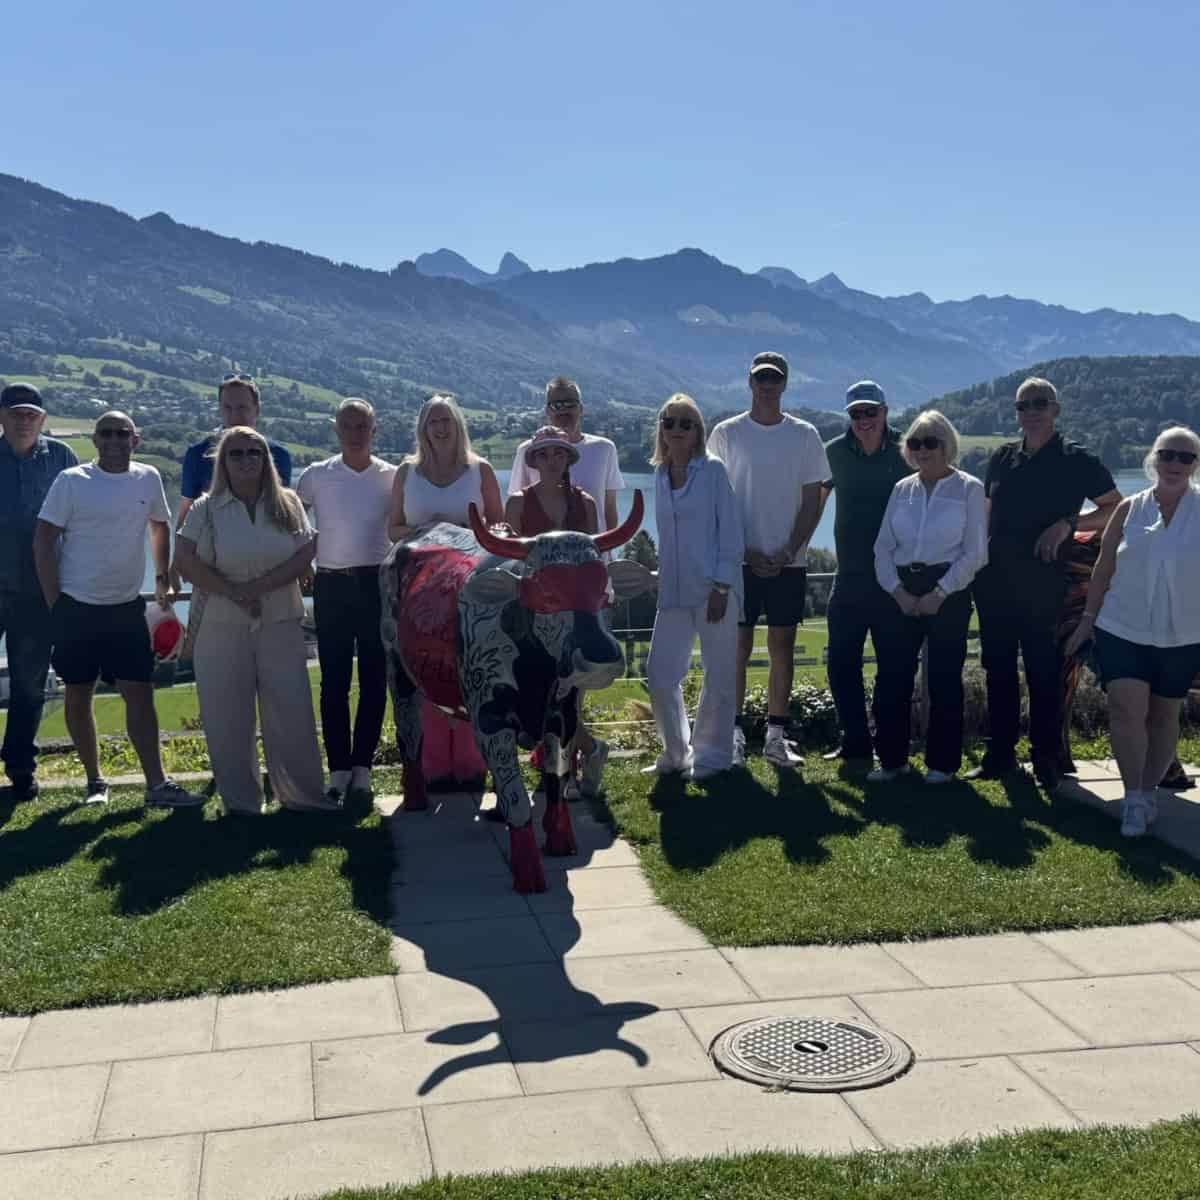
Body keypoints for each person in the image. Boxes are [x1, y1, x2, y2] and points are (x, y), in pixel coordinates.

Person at [32, 412, 204, 808]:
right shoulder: (71, 482)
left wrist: (162, 575)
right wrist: (53, 600)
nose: (113, 440)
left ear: (135, 439)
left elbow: (160, 526)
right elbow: (43, 539)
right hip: (75, 607)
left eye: (121, 433)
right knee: (77, 695)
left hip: (126, 608)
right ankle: (95, 782)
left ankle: (157, 784)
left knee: (140, 695)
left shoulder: (147, 478)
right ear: (94, 439)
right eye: (106, 433)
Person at [174, 427, 336, 815]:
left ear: (266, 459)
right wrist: (234, 593)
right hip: (221, 623)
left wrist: (259, 587)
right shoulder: (204, 508)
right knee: (226, 714)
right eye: (236, 454)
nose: (246, 460)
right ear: (221, 463)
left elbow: (305, 554)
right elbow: (185, 560)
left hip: (280, 619)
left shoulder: (289, 504)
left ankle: (304, 796)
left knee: (292, 709)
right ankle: (242, 802)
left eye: (254, 453)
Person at [970, 378, 1121, 790]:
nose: (1031, 412)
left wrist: (1069, 524)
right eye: (1023, 406)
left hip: (1044, 584)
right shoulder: (1001, 458)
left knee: (1043, 672)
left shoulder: (1077, 460)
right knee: (997, 671)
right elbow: (985, 514)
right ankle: (999, 756)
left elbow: (1115, 509)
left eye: (1039, 404)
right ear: (1015, 413)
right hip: (994, 582)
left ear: (1056, 409)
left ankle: (1045, 758)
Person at [1063, 427, 1200, 837]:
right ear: (1153, 459)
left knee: (1163, 715)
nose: (1175, 463)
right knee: (1125, 708)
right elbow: (1104, 567)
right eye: (1167, 455)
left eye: (1185, 457)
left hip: (1183, 632)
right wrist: (1088, 620)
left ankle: (1147, 793)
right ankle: (1133, 798)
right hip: (1123, 625)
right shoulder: (1130, 510)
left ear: (1195, 466)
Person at [708, 351, 829, 769]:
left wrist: (789, 551)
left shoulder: (805, 435)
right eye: (761, 378)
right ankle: (733, 735)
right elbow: (715, 498)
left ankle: (776, 738)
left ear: (785, 384)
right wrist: (743, 549)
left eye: (774, 379)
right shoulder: (726, 433)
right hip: (737, 561)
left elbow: (814, 502)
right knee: (736, 648)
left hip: (787, 564)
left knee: (782, 648)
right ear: (749, 382)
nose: (767, 385)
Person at [388, 395, 504, 787]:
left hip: (469, 588)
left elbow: (499, 530)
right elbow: (393, 529)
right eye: (432, 420)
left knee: (472, 669)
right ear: (423, 428)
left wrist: (466, 537)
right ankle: (435, 767)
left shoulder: (480, 469)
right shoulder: (407, 471)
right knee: (425, 666)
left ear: (458, 425)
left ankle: (472, 766)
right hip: (420, 589)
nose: (440, 427)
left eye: (446, 420)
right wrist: (432, 532)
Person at [870, 412, 987, 783]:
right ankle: (892, 761)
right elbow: (882, 548)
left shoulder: (969, 488)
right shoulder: (901, 489)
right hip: (901, 587)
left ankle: (942, 764)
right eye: (916, 443)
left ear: (947, 446)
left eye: (931, 442)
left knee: (944, 680)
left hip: (947, 589)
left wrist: (940, 592)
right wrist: (898, 592)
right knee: (892, 678)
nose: (923, 450)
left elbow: (976, 552)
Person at [296, 398, 396, 803]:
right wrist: (304, 558)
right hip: (332, 584)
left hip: (377, 583)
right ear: (336, 429)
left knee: (374, 680)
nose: (355, 432)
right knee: (333, 681)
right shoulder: (316, 475)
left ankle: (363, 768)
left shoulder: (392, 476)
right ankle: (337, 768)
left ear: (375, 430)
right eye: (348, 425)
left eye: (363, 426)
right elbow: (293, 519)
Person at [505, 425, 606, 798]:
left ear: (568, 459)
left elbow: (593, 559)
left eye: (558, 454)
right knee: (547, 695)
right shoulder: (517, 502)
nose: (551, 460)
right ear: (533, 461)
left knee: (571, 694)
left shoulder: (587, 503)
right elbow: (512, 562)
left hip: (578, 613)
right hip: (537, 615)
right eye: (544, 454)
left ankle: (568, 775)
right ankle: (586, 754)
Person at [645, 394, 743, 780]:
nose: (678, 430)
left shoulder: (713, 471)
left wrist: (721, 587)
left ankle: (712, 756)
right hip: (672, 592)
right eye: (671, 422)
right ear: (662, 429)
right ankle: (675, 753)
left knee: (718, 675)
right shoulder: (658, 473)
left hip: (713, 590)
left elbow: (731, 534)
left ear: (698, 430)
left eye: (687, 423)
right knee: (660, 673)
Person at [819, 380, 912, 763]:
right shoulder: (833, 453)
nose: (864, 419)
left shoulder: (909, 450)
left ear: (885, 412)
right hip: (850, 575)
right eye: (856, 413)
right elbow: (812, 500)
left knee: (894, 667)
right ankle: (854, 740)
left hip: (896, 579)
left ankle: (890, 744)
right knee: (841, 662)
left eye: (870, 412)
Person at [0, 383, 78, 801]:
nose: (24, 419)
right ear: (1, 416)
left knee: (30, 686)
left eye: (31, 413)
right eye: (15, 412)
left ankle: (20, 767)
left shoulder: (62, 459)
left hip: (37, 592)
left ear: (43, 419)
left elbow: (79, 519)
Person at [171, 373, 291, 585]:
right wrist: (177, 561)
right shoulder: (198, 454)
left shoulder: (278, 455)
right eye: (227, 408)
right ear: (219, 410)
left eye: (242, 408)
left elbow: (283, 512)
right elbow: (186, 509)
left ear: (257, 409)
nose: (235, 415)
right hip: (213, 568)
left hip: (268, 569)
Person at [507, 377, 624, 532]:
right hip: (540, 553)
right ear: (547, 411)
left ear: (581, 408)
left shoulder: (605, 449)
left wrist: (607, 551)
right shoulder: (528, 451)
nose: (563, 410)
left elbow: (609, 509)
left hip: (594, 553)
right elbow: (518, 505)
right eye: (556, 405)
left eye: (570, 404)